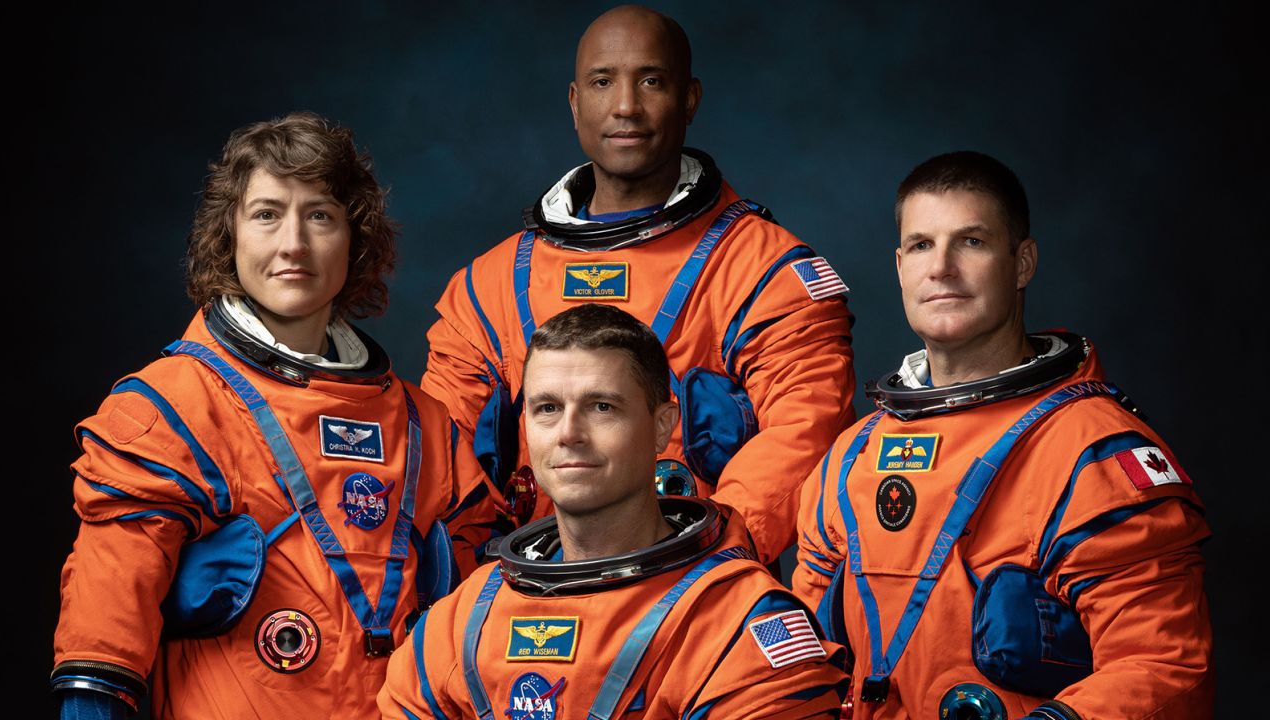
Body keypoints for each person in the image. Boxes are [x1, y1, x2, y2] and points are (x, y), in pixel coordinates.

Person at [51, 112, 488, 719]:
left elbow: (480, 636)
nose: (293, 244)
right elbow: (102, 638)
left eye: (320, 215)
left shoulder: (425, 428)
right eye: (266, 214)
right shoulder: (170, 410)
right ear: (228, 236)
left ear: (354, 240)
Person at [421, 5, 855, 565]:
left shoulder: (763, 270)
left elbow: (805, 431)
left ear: (690, 100)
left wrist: (701, 564)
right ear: (576, 103)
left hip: (692, 595)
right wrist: (480, 585)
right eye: (603, 82)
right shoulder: (490, 286)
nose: (626, 106)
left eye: (651, 81)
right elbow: (440, 456)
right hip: (525, 597)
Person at [794, 151, 1213, 720]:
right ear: (899, 266)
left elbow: (1163, 668)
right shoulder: (852, 456)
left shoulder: (1092, 452)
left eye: (971, 242)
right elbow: (800, 665)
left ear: (1022, 263)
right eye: (921, 245)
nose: (940, 267)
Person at [382, 303, 849, 719]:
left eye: (601, 407)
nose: (568, 433)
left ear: (662, 426)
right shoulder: (463, 622)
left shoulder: (737, 623)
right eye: (547, 408)